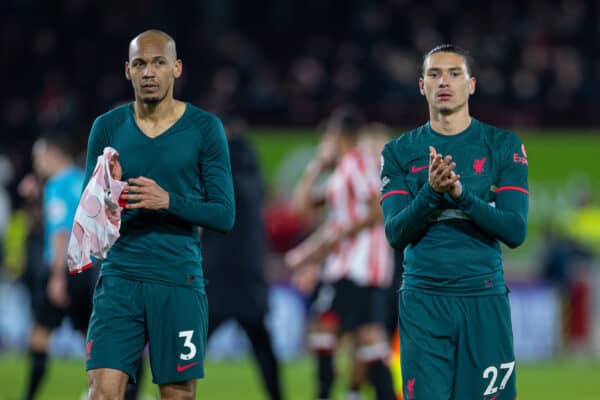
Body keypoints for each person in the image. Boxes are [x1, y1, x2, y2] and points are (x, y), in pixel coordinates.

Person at [81, 29, 235, 400]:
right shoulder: (107, 127)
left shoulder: (204, 129)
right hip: (120, 277)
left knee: (178, 395)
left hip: (178, 280)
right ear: (127, 71)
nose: (148, 72)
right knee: (102, 393)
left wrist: (169, 201)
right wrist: (110, 192)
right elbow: (90, 221)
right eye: (139, 64)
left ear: (176, 68)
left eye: (158, 62)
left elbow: (224, 215)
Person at [380, 44, 529, 400]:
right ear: (421, 86)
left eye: (453, 73)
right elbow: (395, 233)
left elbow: (515, 230)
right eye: (434, 74)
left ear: (472, 84)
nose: (443, 81)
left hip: (483, 297)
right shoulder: (398, 152)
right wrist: (432, 192)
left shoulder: (502, 145)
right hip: (423, 302)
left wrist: (462, 196)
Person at [286, 106, 396, 400]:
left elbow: (377, 209)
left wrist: (335, 241)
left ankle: (329, 393)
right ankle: (353, 394)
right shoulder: (342, 171)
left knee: (331, 330)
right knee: (364, 339)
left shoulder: (359, 165)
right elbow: (302, 208)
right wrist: (317, 166)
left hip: (358, 268)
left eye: (328, 137)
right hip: (346, 267)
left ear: (338, 135)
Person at [201, 114, 283, 400]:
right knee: (262, 343)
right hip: (249, 272)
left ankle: (172, 394)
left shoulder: (213, 171)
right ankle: (277, 396)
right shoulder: (253, 171)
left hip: (217, 272)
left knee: (192, 344)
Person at [23, 136, 90, 400]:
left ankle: (28, 396)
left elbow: (60, 232)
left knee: (39, 337)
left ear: (52, 154)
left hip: (63, 269)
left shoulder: (56, 186)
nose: (37, 166)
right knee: (93, 340)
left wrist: (57, 278)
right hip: (88, 270)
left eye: (38, 159)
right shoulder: (84, 180)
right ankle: (102, 392)